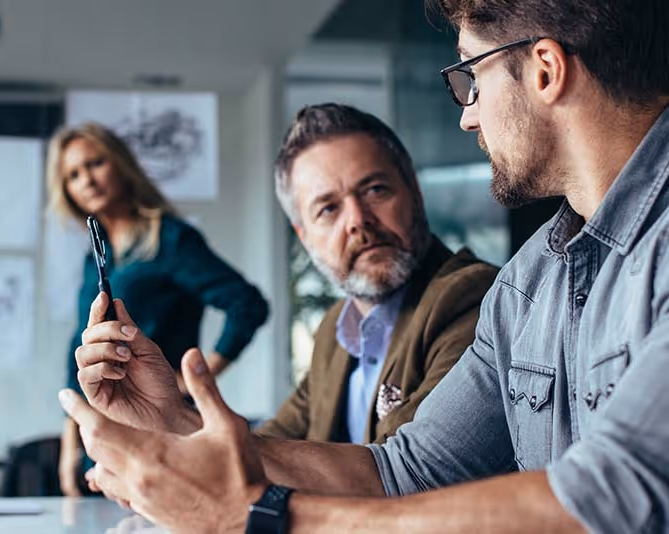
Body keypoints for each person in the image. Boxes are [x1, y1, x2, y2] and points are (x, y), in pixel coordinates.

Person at [60, 0, 669, 530]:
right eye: (326, 208)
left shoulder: (498, 289)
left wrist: (256, 517)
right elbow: (408, 469)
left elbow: (618, 499)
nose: (468, 114)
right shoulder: (530, 284)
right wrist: (174, 420)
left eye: (471, 80)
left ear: (544, 69)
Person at [45, 123, 269, 496]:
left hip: (156, 428)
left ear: (120, 164)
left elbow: (247, 304)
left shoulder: (171, 239)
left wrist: (196, 379)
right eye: (72, 175)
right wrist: (71, 442)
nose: (86, 180)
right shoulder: (94, 259)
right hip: (98, 437)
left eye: (95, 163)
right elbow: (80, 348)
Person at [253, 104, 497, 445]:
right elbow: (271, 445)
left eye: (375, 190)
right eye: (328, 208)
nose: (357, 220)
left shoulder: (472, 298)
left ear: (414, 190)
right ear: (304, 236)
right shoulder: (335, 330)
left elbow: (405, 467)